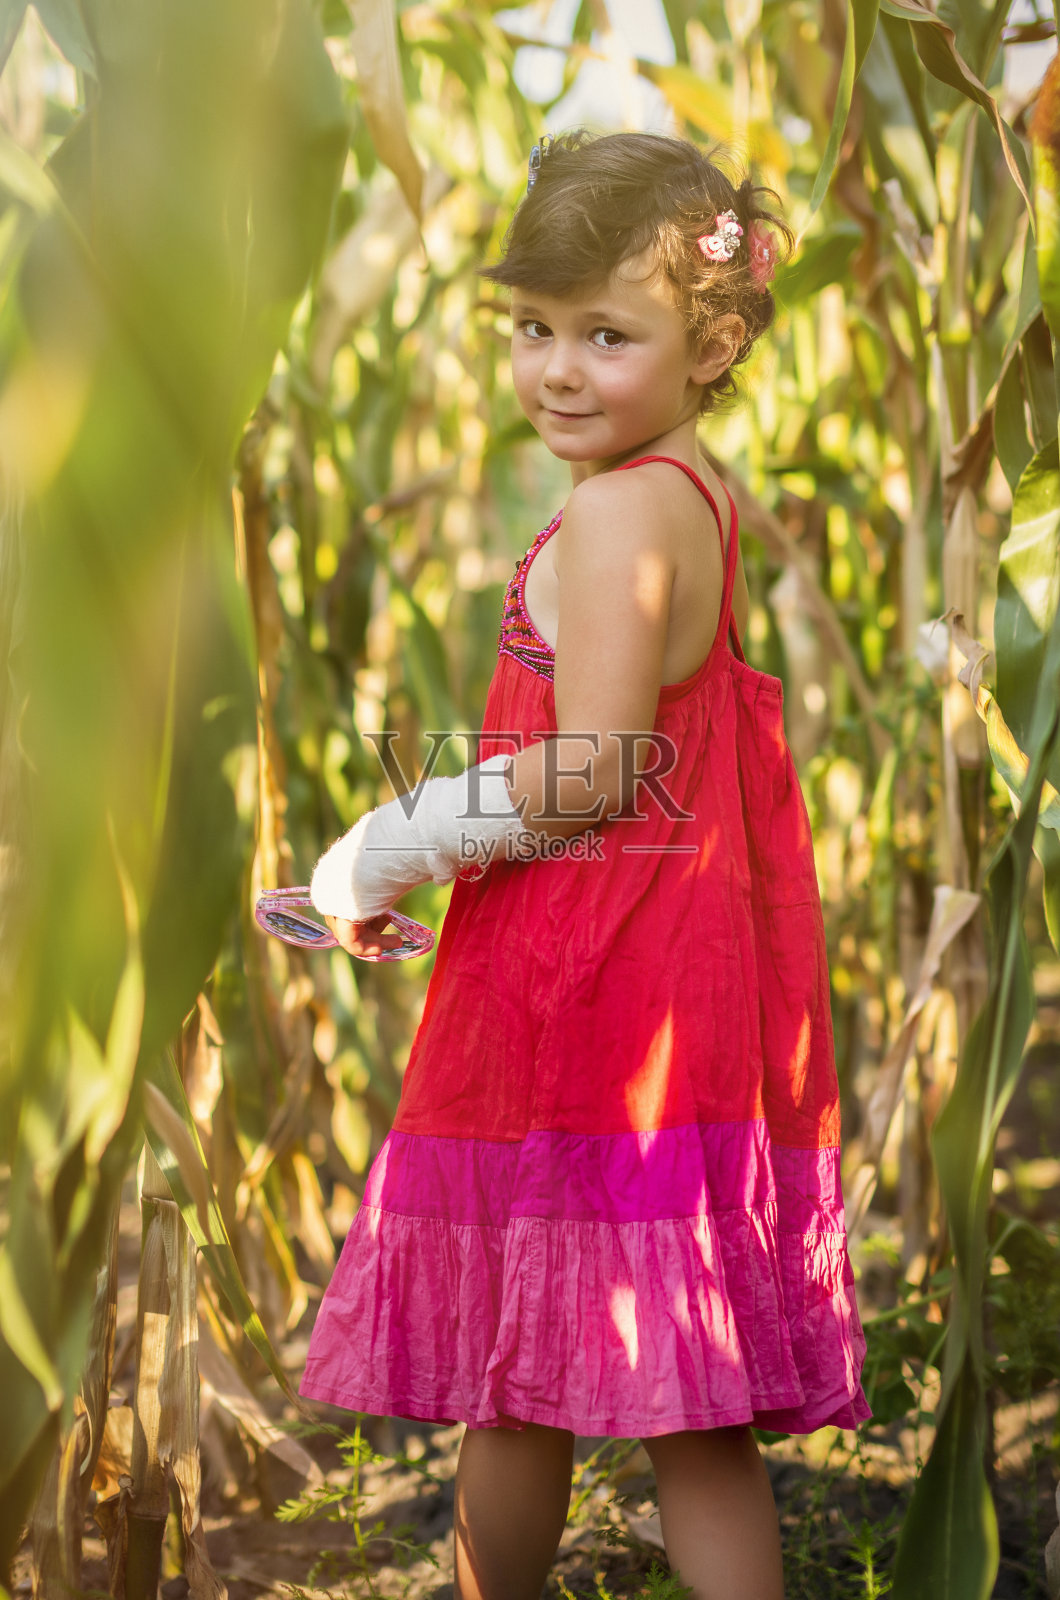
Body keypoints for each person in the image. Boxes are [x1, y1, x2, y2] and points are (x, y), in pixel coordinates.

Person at [303, 131, 870, 1600]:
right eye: (532, 328)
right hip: (659, 974)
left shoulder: (621, 511)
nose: (558, 370)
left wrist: (389, 844)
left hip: (593, 988)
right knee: (693, 1411)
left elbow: (599, 766)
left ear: (713, 344)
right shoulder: (687, 487)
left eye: (607, 336)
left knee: (518, 1376)